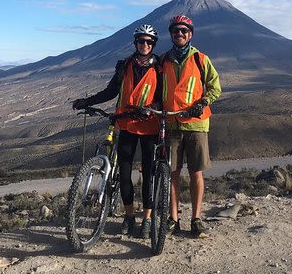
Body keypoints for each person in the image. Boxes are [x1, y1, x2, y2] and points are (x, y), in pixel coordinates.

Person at [72, 24, 161, 238]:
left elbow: (163, 96)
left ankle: (147, 219)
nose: (145, 45)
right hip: (127, 125)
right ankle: (129, 217)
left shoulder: (160, 67)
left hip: (149, 127)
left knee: (148, 175)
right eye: (141, 41)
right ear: (135, 43)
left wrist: (153, 109)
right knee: (124, 175)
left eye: (149, 41)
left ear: (154, 44)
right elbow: (112, 91)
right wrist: (88, 101)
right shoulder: (125, 65)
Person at [160, 14, 221, 238]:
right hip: (172, 123)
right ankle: (173, 219)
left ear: (190, 34)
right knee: (172, 174)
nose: (180, 34)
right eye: (176, 31)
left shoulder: (201, 59)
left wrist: (203, 102)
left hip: (196, 124)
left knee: (196, 173)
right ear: (171, 34)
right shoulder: (163, 60)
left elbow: (215, 87)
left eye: (184, 31)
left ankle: (196, 219)